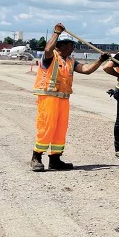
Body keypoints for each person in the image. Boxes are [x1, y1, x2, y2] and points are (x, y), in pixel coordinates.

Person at [30, 23, 110, 172]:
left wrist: (100, 60)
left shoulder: (71, 61)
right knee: (47, 127)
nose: (73, 48)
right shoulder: (50, 57)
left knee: (60, 129)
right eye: (70, 45)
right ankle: (36, 157)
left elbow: (86, 70)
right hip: (48, 97)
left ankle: (55, 159)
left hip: (63, 99)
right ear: (60, 46)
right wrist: (56, 33)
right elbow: (48, 48)